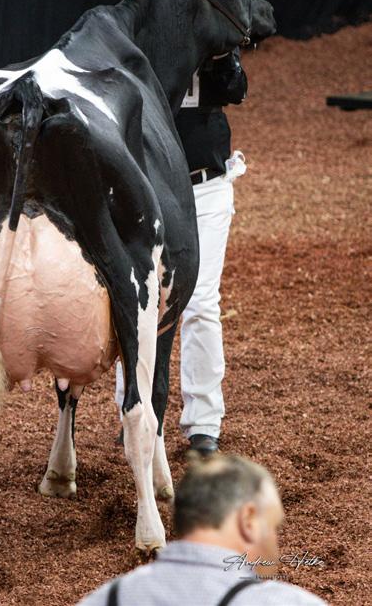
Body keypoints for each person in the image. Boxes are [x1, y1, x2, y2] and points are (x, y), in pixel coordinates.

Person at [115, 48, 248, 456]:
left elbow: (236, 89)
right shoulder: (142, 34)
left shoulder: (209, 32)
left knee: (201, 303)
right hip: (146, 184)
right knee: (139, 300)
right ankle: (134, 411)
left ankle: (203, 424)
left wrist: (221, 55)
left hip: (205, 185)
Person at [77, 454, 327, 606]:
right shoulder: (287, 602)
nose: (274, 541)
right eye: (272, 526)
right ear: (248, 520)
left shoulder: (107, 598)